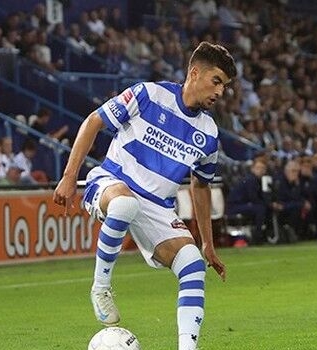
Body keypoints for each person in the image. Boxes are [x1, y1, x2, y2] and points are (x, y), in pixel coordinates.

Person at [53, 41, 236, 350]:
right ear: (195, 72)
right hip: (112, 182)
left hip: (158, 208)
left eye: (225, 86)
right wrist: (70, 178)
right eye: (216, 81)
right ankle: (101, 288)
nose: (220, 91)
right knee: (125, 203)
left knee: (192, 264)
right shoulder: (149, 95)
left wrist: (207, 243)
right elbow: (94, 121)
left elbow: (201, 186)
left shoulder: (209, 133)